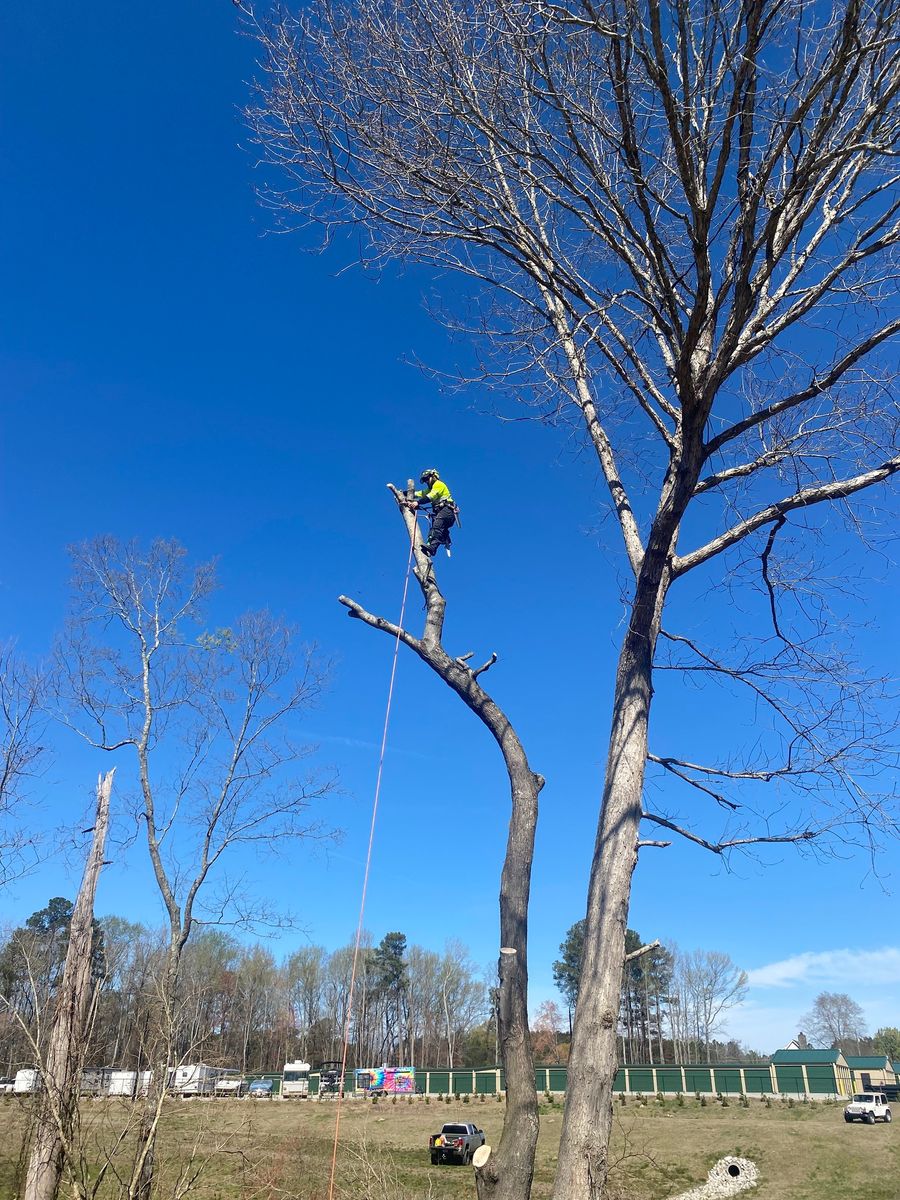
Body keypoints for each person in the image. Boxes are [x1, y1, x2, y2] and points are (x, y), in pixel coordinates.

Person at [414, 468, 456, 557]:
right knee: (436, 528)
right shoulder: (431, 488)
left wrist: (417, 502)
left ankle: (432, 548)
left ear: (433, 476)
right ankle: (444, 536)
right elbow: (420, 493)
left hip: (447, 511)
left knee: (436, 527)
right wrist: (404, 493)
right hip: (442, 512)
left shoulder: (438, 484)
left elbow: (431, 497)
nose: (426, 482)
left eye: (426, 479)